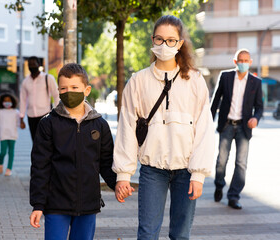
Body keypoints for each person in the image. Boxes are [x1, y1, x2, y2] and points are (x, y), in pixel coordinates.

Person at [112, 15, 215, 240]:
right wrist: (123, 174)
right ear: (152, 40)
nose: (164, 45)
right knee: (147, 234)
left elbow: (204, 130)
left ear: (180, 44)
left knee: (181, 235)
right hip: (152, 169)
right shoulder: (138, 81)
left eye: (170, 40)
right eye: (159, 39)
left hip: (186, 171)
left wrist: (198, 174)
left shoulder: (195, 81)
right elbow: (127, 128)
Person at [29, 63, 117, 240]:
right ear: (58, 91)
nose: (69, 92)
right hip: (55, 204)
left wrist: (118, 184)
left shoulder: (100, 125)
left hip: (88, 204)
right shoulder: (48, 124)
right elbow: (40, 166)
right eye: (64, 88)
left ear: (87, 90)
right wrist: (38, 204)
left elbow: (106, 163)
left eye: (75, 87)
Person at [210, 48, 263, 210]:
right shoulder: (225, 77)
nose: (244, 63)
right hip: (226, 125)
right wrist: (208, 123)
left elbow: (259, 107)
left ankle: (233, 196)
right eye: (241, 60)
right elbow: (216, 100)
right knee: (221, 161)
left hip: (244, 128)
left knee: (241, 163)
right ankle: (219, 185)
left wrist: (256, 118)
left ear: (250, 63)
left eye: (247, 61)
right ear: (235, 61)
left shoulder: (256, 82)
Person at [19, 56, 59, 140]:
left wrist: (57, 112)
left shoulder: (48, 78)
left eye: (34, 64)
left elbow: (56, 95)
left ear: (39, 65)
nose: (32, 66)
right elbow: (22, 100)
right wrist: (21, 118)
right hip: (31, 116)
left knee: (46, 140)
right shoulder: (25, 81)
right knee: (35, 140)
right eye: (30, 64)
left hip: (46, 114)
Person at [0, 92, 20, 176]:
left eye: (9, 100)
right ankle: (0, 162)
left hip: (13, 135)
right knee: (3, 152)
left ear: (13, 101)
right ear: (2, 102)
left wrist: (22, 123)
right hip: (3, 135)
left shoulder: (16, 112)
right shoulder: (0, 112)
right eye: (5, 101)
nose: (7, 102)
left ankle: (9, 168)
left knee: (11, 152)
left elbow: (19, 123)